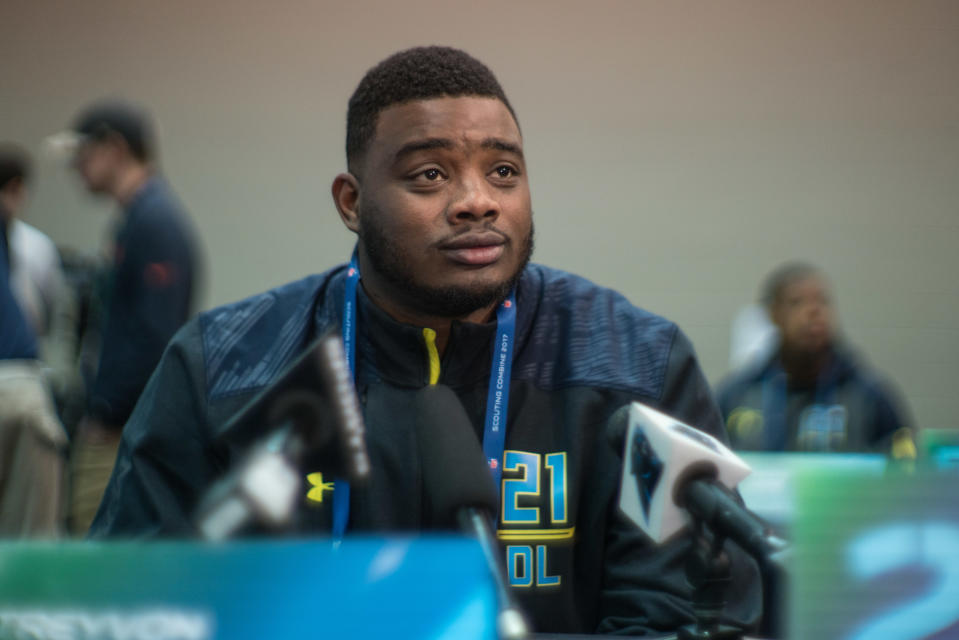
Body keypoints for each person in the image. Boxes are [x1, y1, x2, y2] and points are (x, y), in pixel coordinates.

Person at [90, 47, 760, 634]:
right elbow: (139, 606)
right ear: (351, 203)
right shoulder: (221, 369)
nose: (477, 201)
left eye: (503, 172)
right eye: (429, 175)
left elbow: (680, 614)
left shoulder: (636, 366)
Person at [52, 99, 203, 534]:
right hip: (119, 420)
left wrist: (107, 414)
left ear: (114, 149)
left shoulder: (154, 222)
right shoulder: (138, 219)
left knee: (97, 539)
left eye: (83, 153)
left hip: (120, 427)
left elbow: (154, 336)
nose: (76, 167)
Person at [716, 262, 915, 455]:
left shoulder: (868, 394)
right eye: (796, 302)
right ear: (773, 314)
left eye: (822, 301)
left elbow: (905, 470)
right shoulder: (739, 394)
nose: (813, 311)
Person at [0, 152, 67, 537]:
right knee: (29, 540)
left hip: (21, 387)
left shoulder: (28, 244)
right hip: (23, 388)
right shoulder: (33, 245)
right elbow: (48, 313)